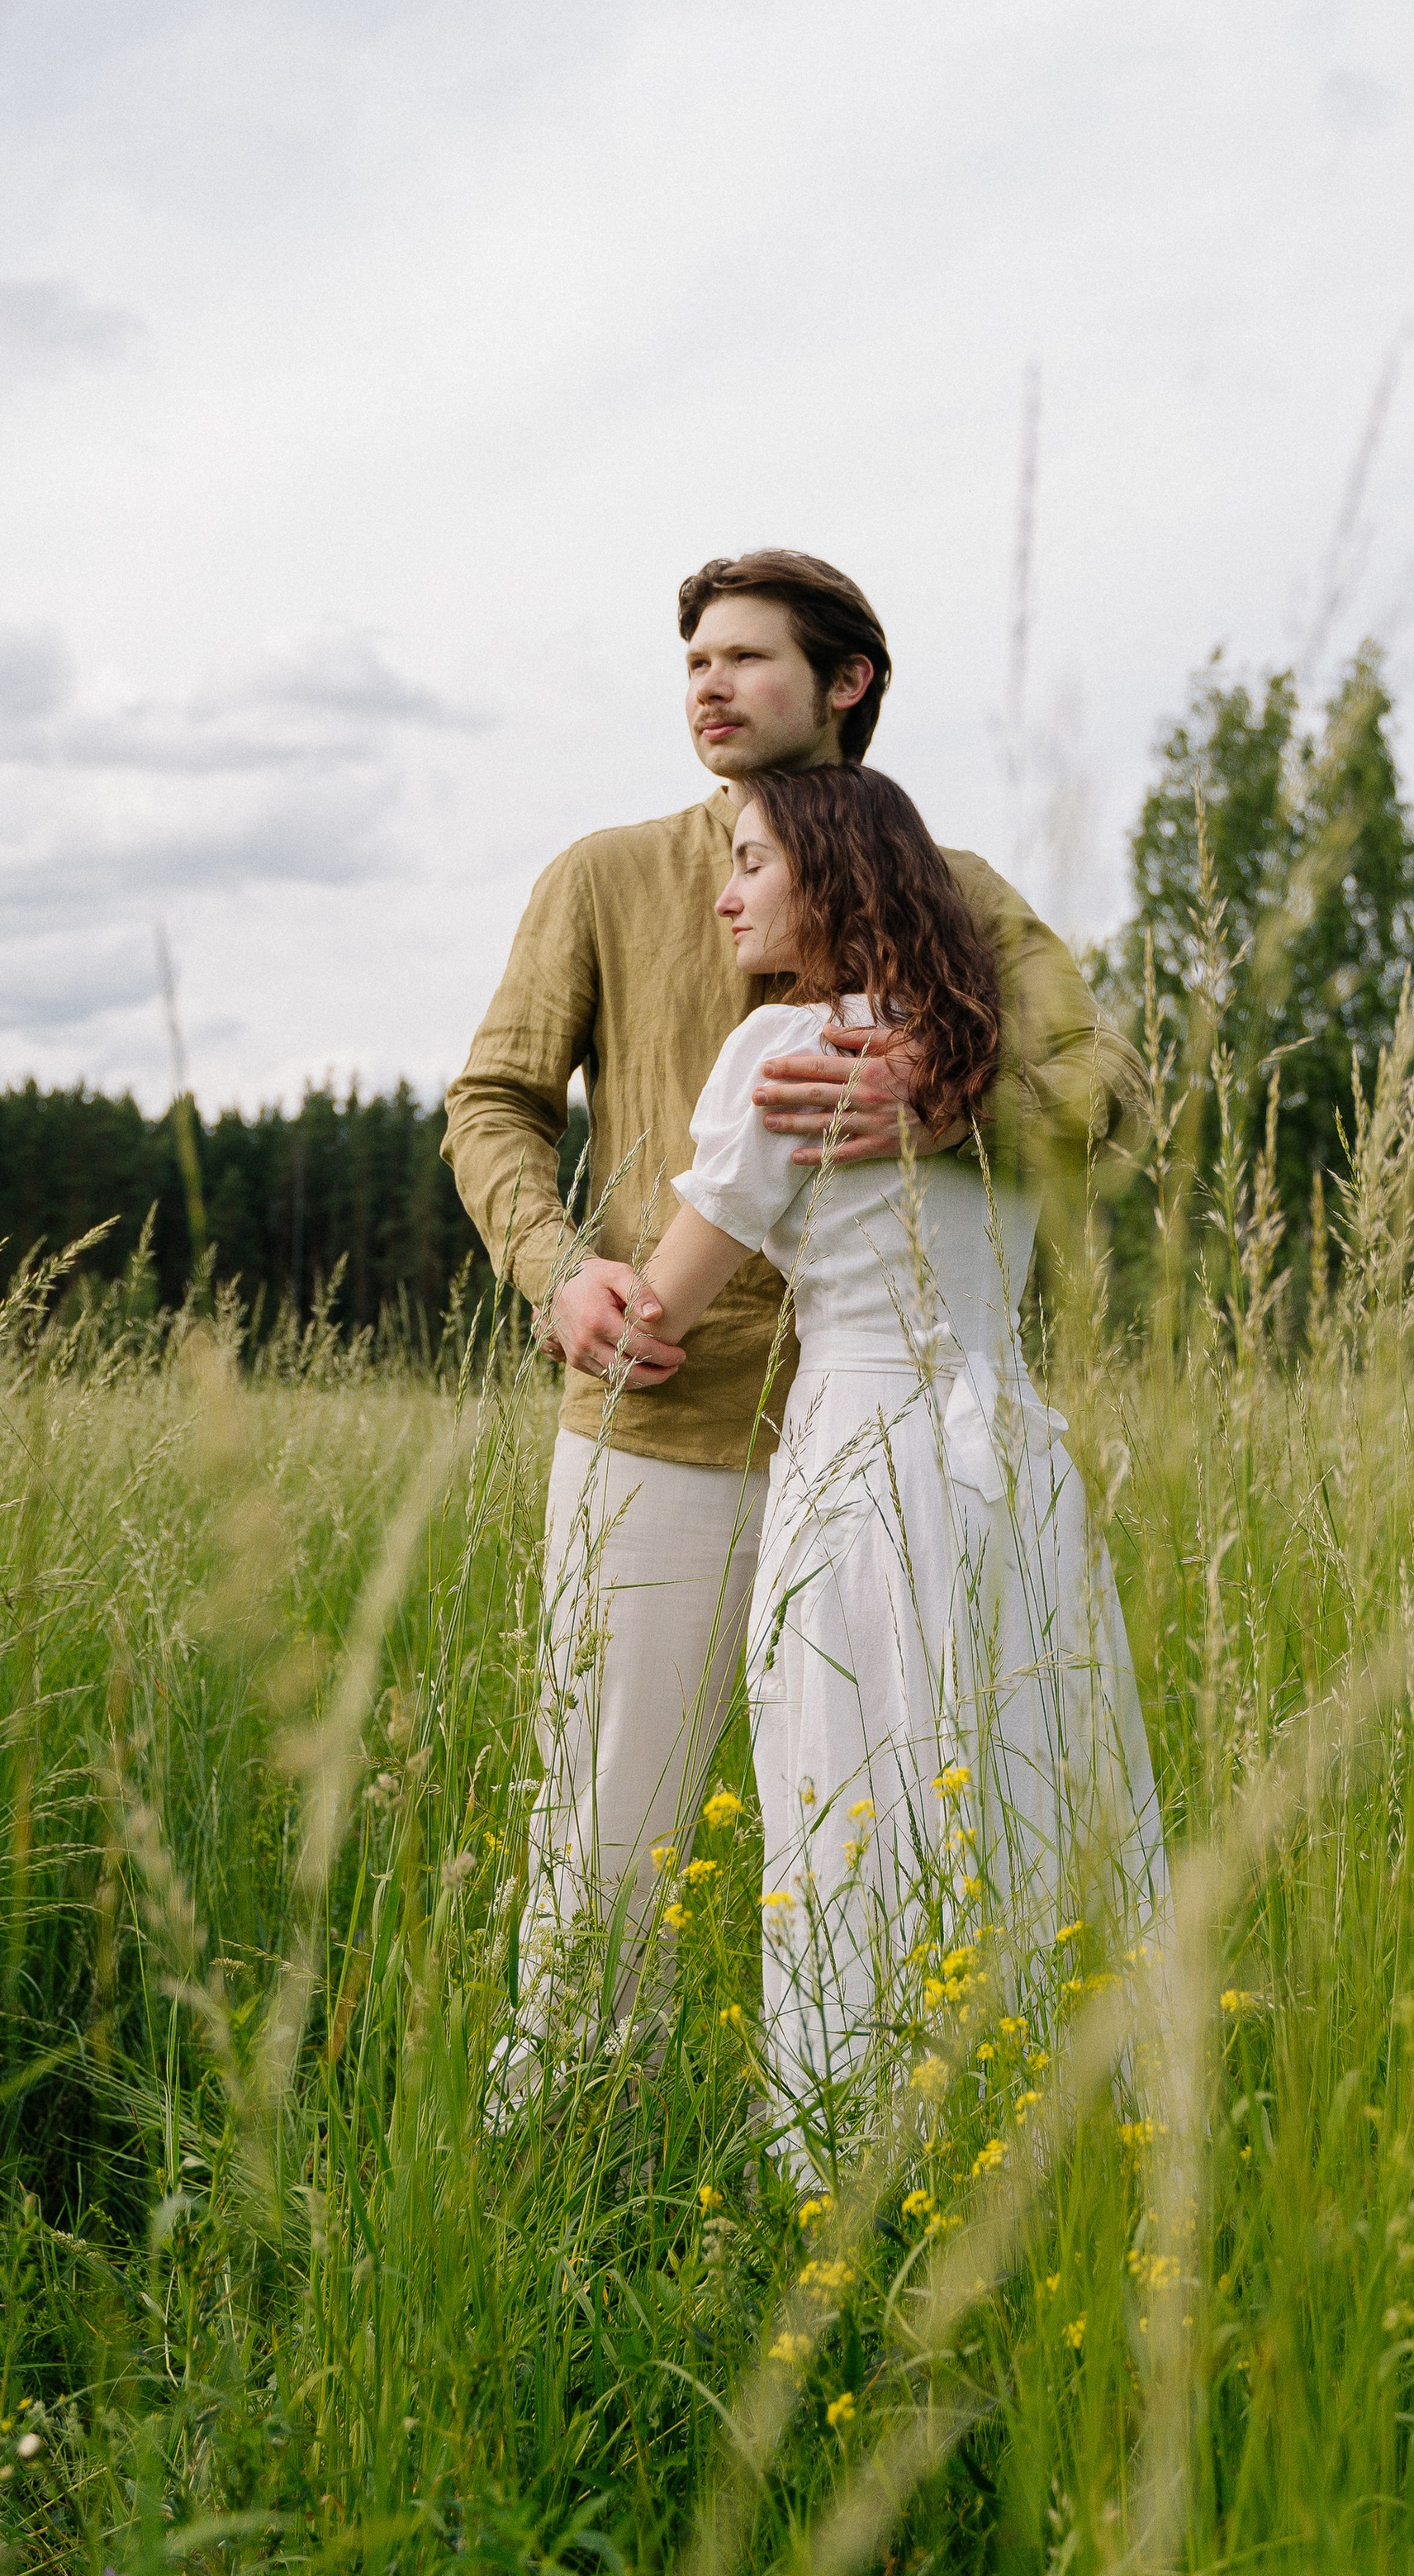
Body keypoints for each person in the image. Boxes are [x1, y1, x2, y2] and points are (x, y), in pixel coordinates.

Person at [443, 549, 1145, 2035]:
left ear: (847, 683)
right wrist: (558, 1272)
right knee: (605, 1835)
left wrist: (957, 1104)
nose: (709, 682)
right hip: (662, 1421)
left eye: (747, 658)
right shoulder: (609, 875)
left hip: (901, 1460)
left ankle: (911, 2140)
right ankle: (561, 2165)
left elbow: (1114, 1089)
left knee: (906, 1819)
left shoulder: (957, 894)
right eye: (695, 658)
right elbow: (493, 1101)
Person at [624, 763, 1163, 2155]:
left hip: (860, 1463)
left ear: (829, 879)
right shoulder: (978, 1061)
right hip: (1011, 1464)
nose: (726, 892)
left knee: (850, 1790)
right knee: (1033, 1775)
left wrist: (581, 1295)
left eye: (751, 863)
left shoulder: (783, 1054)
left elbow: (659, 1315)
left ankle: (857, 2146)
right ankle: (1059, 2120)